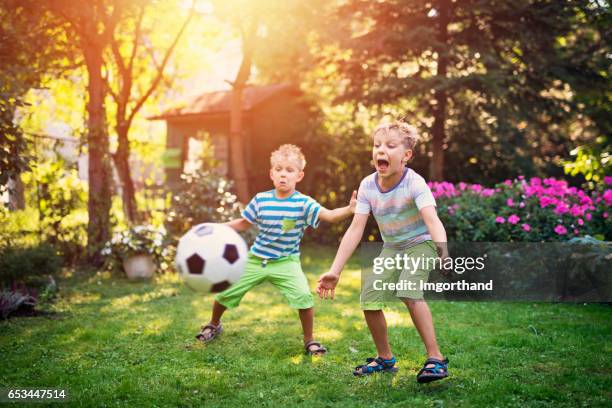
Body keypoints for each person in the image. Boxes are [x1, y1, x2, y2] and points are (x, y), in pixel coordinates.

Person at [316, 121, 450, 382]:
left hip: (420, 244)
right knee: (369, 296)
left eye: (390, 145)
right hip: (392, 247)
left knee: (409, 291)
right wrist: (335, 270)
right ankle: (385, 358)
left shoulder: (415, 183)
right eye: (377, 145)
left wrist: (442, 252)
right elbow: (355, 230)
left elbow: (432, 220)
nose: (381, 150)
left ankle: (435, 358)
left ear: (406, 156)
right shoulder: (367, 185)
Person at [196, 144, 356, 356]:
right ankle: (213, 324)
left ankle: (310, 340)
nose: (283, 174)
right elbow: (244, 224)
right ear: (271, 173)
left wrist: (349, 209)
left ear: (299, 176)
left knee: (304, 299)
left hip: (286, 262)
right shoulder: (261, 200)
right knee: (225, 292)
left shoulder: (303, 203)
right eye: (279, 169)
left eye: (289, 170)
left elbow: (329, 215)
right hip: (256, 259)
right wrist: (217, 227)